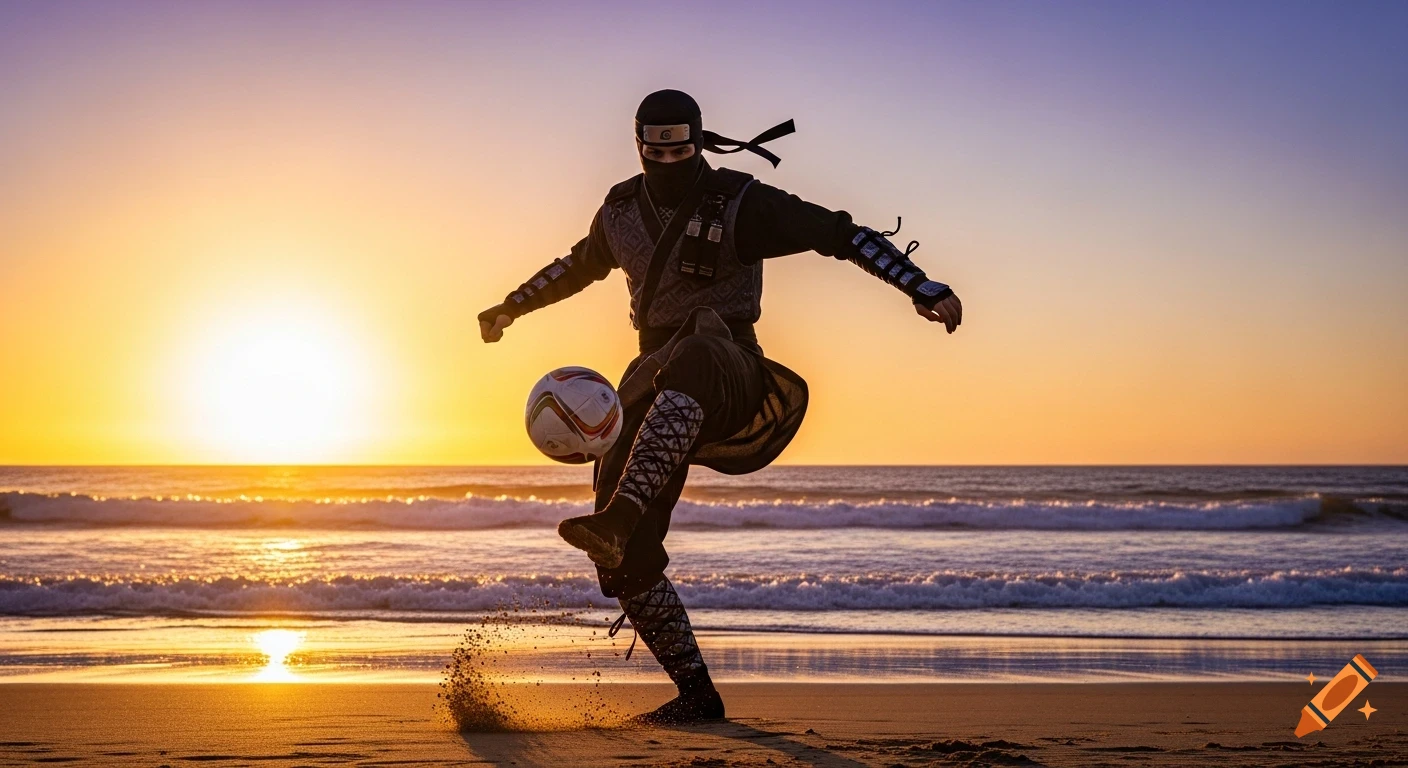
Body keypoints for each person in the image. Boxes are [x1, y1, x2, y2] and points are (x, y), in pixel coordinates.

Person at [479, 89, 962, 724]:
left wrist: (918, 285)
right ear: (639, 148)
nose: (668, 161)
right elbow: (575, 266)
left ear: (700, 143)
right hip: (650, 382)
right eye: (656, 152)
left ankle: (623, 512)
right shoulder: (620, 211)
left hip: (730, 367)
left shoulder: (742, 201)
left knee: (697, 351)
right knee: (619, 560)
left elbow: (839, 234)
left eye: (681, 150)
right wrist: (512, 305)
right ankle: (696, 694)